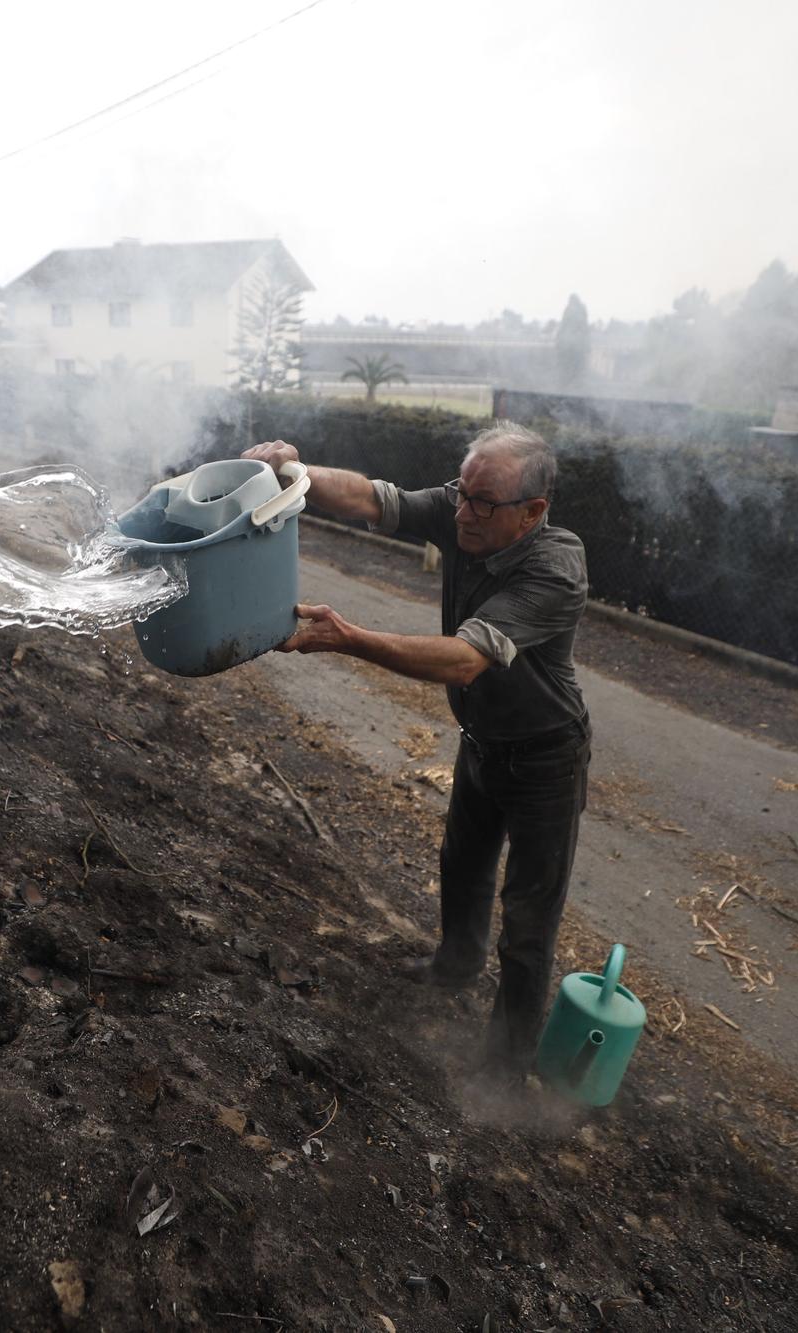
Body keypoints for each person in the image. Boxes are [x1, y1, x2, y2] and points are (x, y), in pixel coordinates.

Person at [242, 424, 590, 1072]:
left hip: (546, 759)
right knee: (462, 863)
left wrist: (347, 637)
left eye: (481, 502)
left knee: (527, 920)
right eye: (461, 490)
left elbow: (465, 660)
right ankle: (454, 966)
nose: (460, 510)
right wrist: (298, 469)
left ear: (533, 512)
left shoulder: (555, 568)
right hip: (483, 741)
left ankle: (505, 1069)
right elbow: (378, 499)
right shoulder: (467, 510)